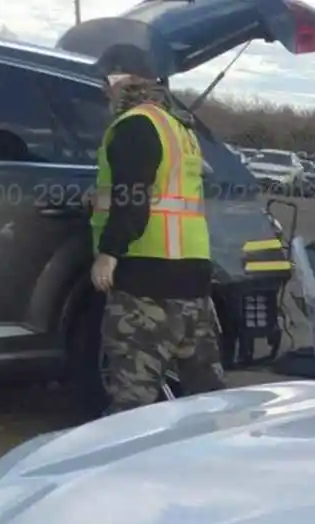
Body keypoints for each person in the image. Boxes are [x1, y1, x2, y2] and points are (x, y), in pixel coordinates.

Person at [89, 52, 225, 413]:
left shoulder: (133, 126)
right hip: (193, 279)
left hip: (147, 282)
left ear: (125, 81)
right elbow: (168, 193)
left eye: (108, 80)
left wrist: (108, 253)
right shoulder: (179, 129)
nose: (105, 90)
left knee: (133, 399)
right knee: (205, 396)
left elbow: (134, 198)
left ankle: (129, 465)